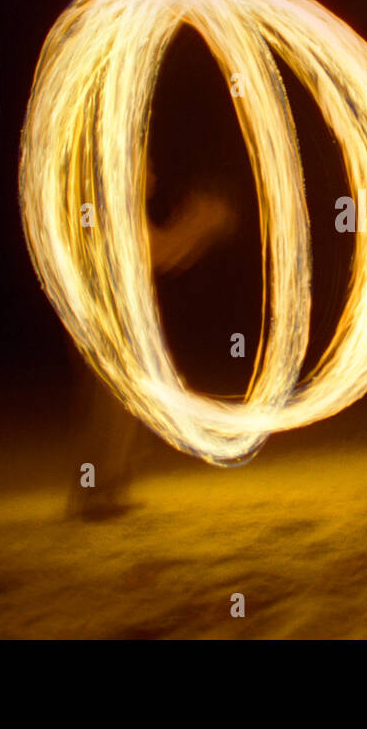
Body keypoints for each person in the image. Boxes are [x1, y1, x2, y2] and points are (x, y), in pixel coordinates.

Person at [67, 182, 237, 521]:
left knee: (125, 414)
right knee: (113, 413)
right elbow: (160, 253)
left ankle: (107, 492)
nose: (155, 177)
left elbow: (166, 255)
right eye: (147, 168)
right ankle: (94, 498)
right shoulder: (113, 209)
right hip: (108, 327)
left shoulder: (122, 208)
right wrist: (199, 223)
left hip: (119, 325)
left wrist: (197, 226)